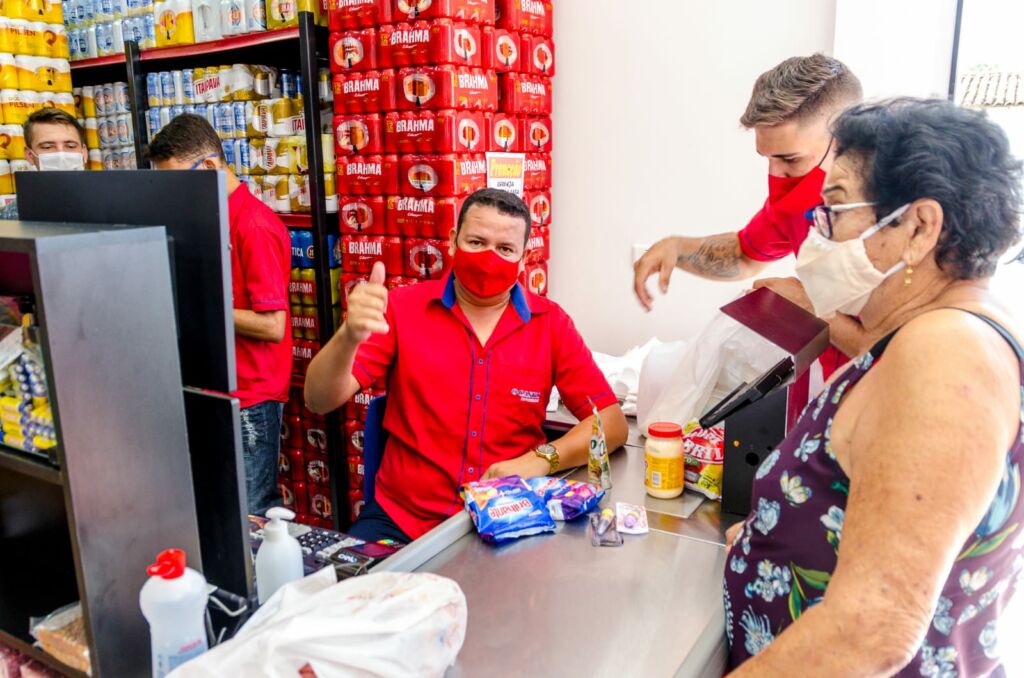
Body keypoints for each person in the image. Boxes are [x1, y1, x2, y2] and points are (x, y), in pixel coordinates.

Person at [722, 99, 1024, 676]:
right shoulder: (936, 333)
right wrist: (777, 530)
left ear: (918, 227)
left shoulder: (946, 351)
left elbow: (874, 625)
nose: (819, 235)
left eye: (833, 211)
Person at [305, 188, 628, 543]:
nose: (490, 258)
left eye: (505, 249)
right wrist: (348, 336)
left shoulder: (550, 325)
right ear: (453, 241)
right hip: (402, 520)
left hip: (509, 517)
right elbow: (318, 399)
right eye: (476, 242)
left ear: (523, 259)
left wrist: (541, 459)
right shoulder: (402, 308)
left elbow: (611, 424)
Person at [633, 54, 863, 369]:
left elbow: (905, 349)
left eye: (790, 159)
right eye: (766, 158)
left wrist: (808, 304)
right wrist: (677, 248)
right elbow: (744, 254)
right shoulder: (799, 193)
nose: (776, 174)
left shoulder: (897, 218)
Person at [148, 114, 292, 517]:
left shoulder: (254, 224)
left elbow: (273, 325)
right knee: (219, 510)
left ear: (209, 167)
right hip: (218, 387)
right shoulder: (211, 217)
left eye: (176, 182)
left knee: (250, 513)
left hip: (251, 396)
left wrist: (200, 302)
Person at [0, 107, 88, 219]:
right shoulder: (11, 216)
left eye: (70, 146)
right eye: (47, 147)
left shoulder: (111, 201)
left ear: (84, 152)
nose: (61, 155)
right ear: (30, 155)